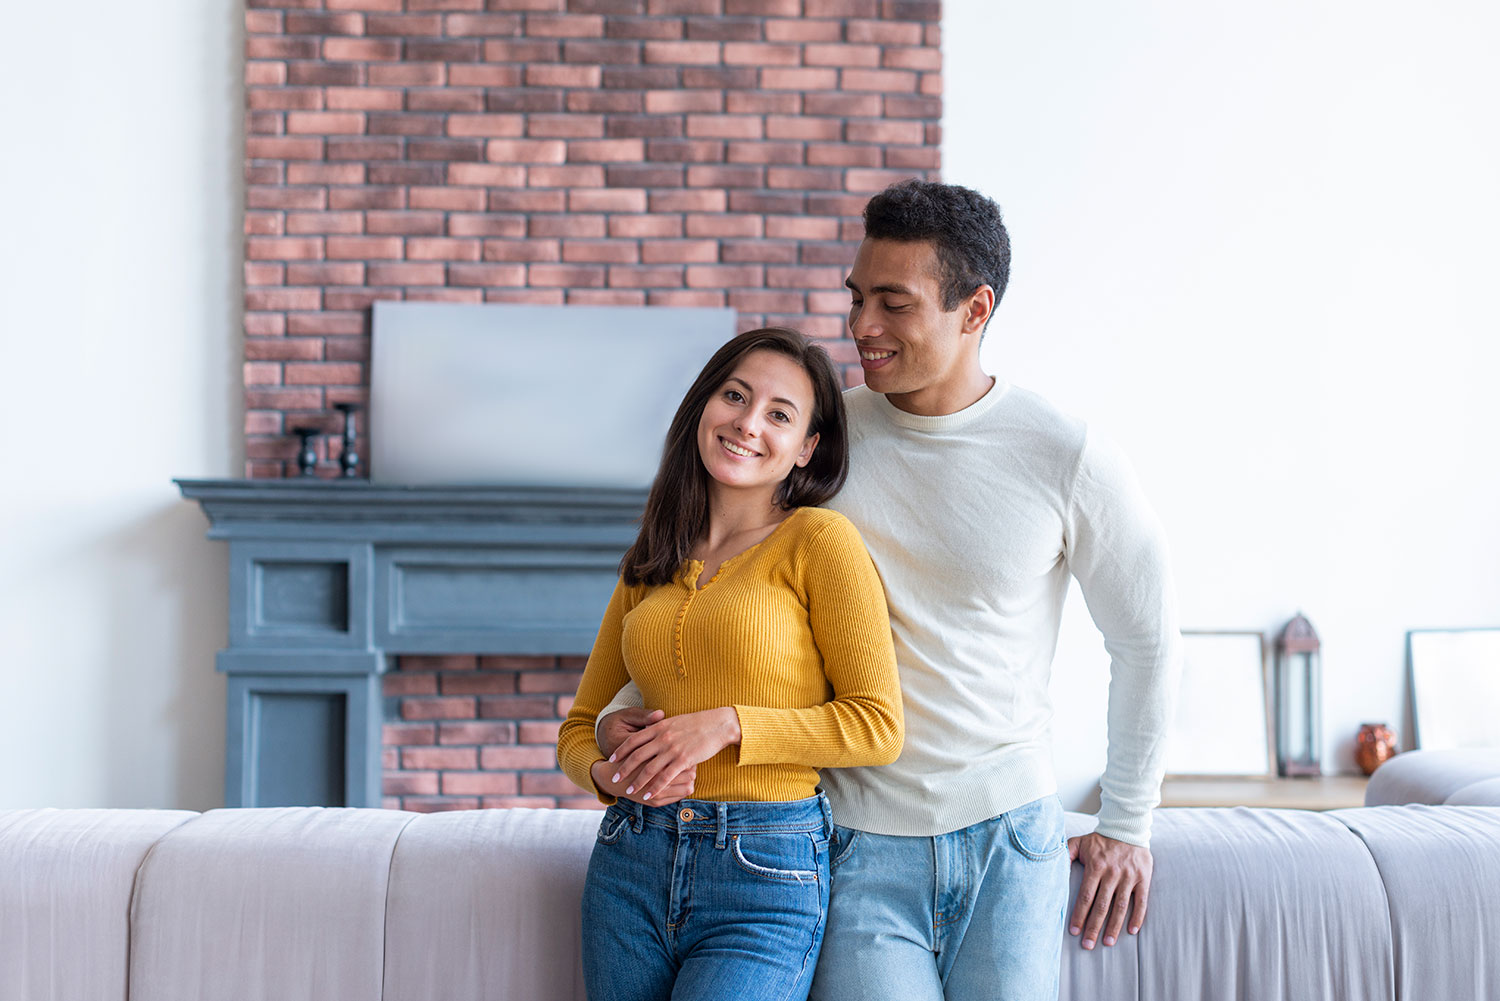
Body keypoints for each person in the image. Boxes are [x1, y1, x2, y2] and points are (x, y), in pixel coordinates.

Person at [596, 180, 1180, 1001]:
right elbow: (720, 589)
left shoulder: (1065, 454)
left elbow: (1148, 640)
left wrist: (1126, 822)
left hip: (1009, 834)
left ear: (974, 310)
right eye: (858, 296)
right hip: (853, 841)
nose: (861, 325)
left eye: (893, 303)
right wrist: (629, 709)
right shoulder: (817, 445)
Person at [556, 327, 905, 1001]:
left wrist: (727, 725)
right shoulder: (653, 554)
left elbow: (876, 726)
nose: (748, 423)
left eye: (779, 414)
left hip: (763, 870)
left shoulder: (819, 541)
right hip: (630, 859)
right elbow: (578, 726)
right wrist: (607, 764)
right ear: (703, 405)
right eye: (735, 396)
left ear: (807, 447)